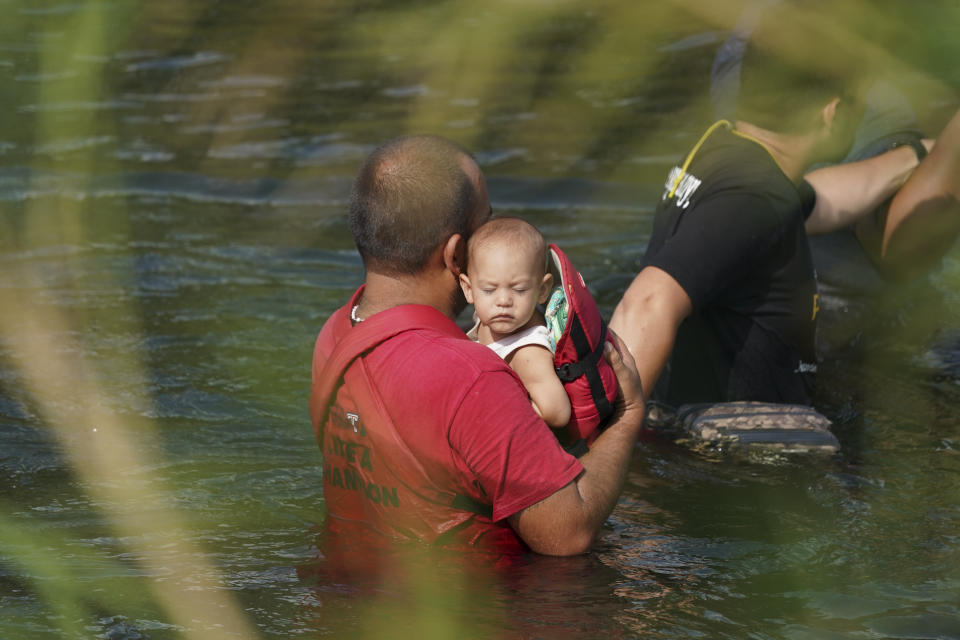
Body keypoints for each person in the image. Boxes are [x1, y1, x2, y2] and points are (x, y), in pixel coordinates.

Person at [309, 134, 645, 558]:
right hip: (472, 611)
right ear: (456, 257)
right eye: (484, 225)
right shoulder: (471, 377)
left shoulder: (335, 335)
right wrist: (626, 422)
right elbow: (567, 532)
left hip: (353, 593)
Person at [459, 217, 571, 428]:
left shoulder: (527, 352)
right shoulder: (491, 317)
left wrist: (496, 409)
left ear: (543, 290)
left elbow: (557, 412)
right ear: (468, 289)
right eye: (489, 290)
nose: (503, 301)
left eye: (519, 290)